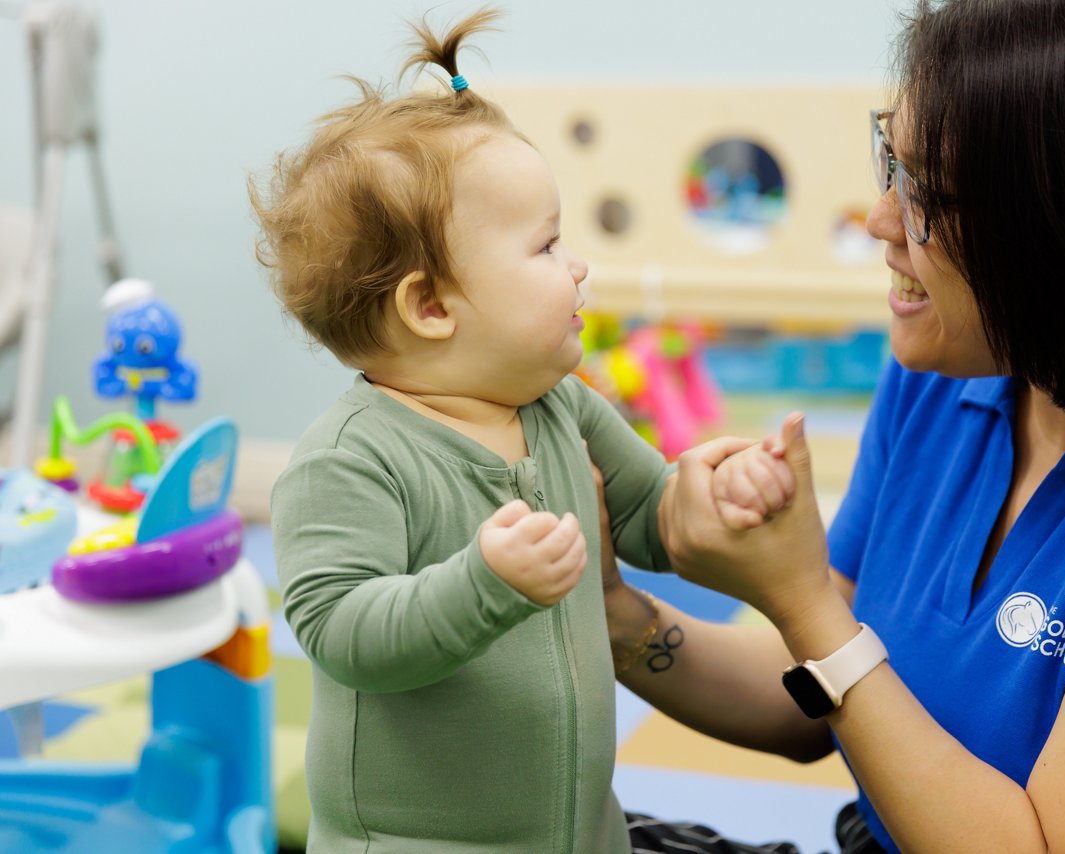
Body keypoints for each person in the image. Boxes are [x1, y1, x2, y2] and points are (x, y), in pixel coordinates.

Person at [603, 1, 1065, 851]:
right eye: (892, 158)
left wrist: (800, 600)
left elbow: (839, 657)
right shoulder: (953, 368)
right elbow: (818, 700)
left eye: (924, 192)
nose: (881, 220)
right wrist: (614, 612)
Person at [250, 10, 794, 853]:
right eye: (545, 247)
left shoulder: (560, 406)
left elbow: (649, 519)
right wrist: (483, 583)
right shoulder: (348, 461)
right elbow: (339, 632)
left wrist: (714, 491)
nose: (576, 265)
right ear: (431, 307)